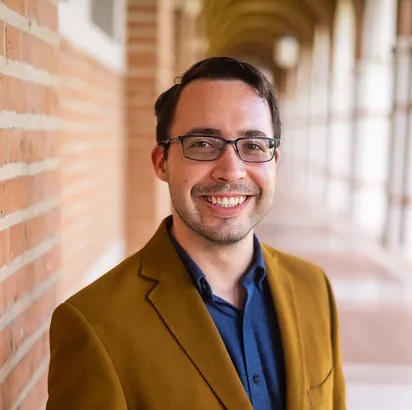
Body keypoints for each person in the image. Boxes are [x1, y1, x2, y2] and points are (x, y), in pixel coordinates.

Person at [46, 57, 346, 410]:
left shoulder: (314, 287)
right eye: (203, 143)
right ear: (162, 162)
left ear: (274, 162)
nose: (231, 171)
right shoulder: (95, 325)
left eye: (253, 146)